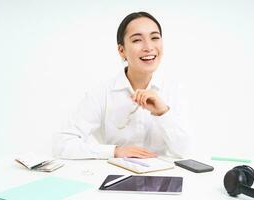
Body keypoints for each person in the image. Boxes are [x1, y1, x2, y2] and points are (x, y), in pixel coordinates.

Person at [53, 11, 191, 159]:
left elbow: (183, 152)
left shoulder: (172, 89)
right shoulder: (102, 92)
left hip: (161, 178)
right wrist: (115, 151)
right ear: (122, 50)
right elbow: (63, 145)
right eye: (137, 40)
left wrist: (162, 112)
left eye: (155, 38)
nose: (149, 47)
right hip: (115, 174)